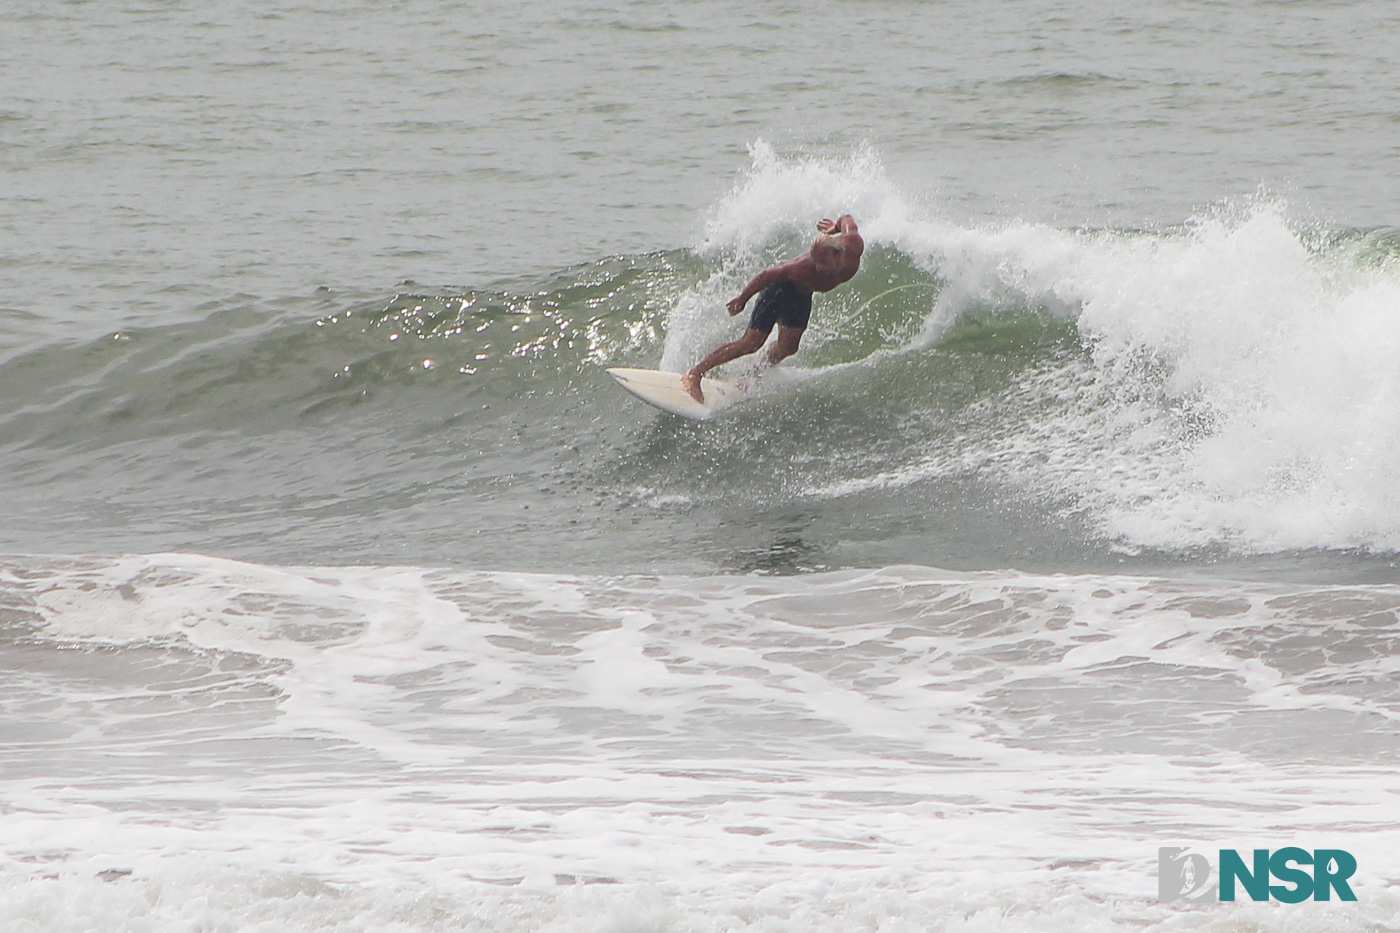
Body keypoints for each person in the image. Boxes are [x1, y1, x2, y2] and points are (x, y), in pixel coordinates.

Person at [681, 214, 864, 403]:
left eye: (822, 262)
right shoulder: (802, 267)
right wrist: (742, 299)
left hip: (801, 296)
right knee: (751, 343)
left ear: (837, 253)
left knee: (788, 347)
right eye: (815, 260)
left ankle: (750, 375)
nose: (817, 267)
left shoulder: (854, 243)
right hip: (778, 290)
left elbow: (847, 219)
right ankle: (695, 374)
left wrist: (835, 226)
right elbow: (767, 275)